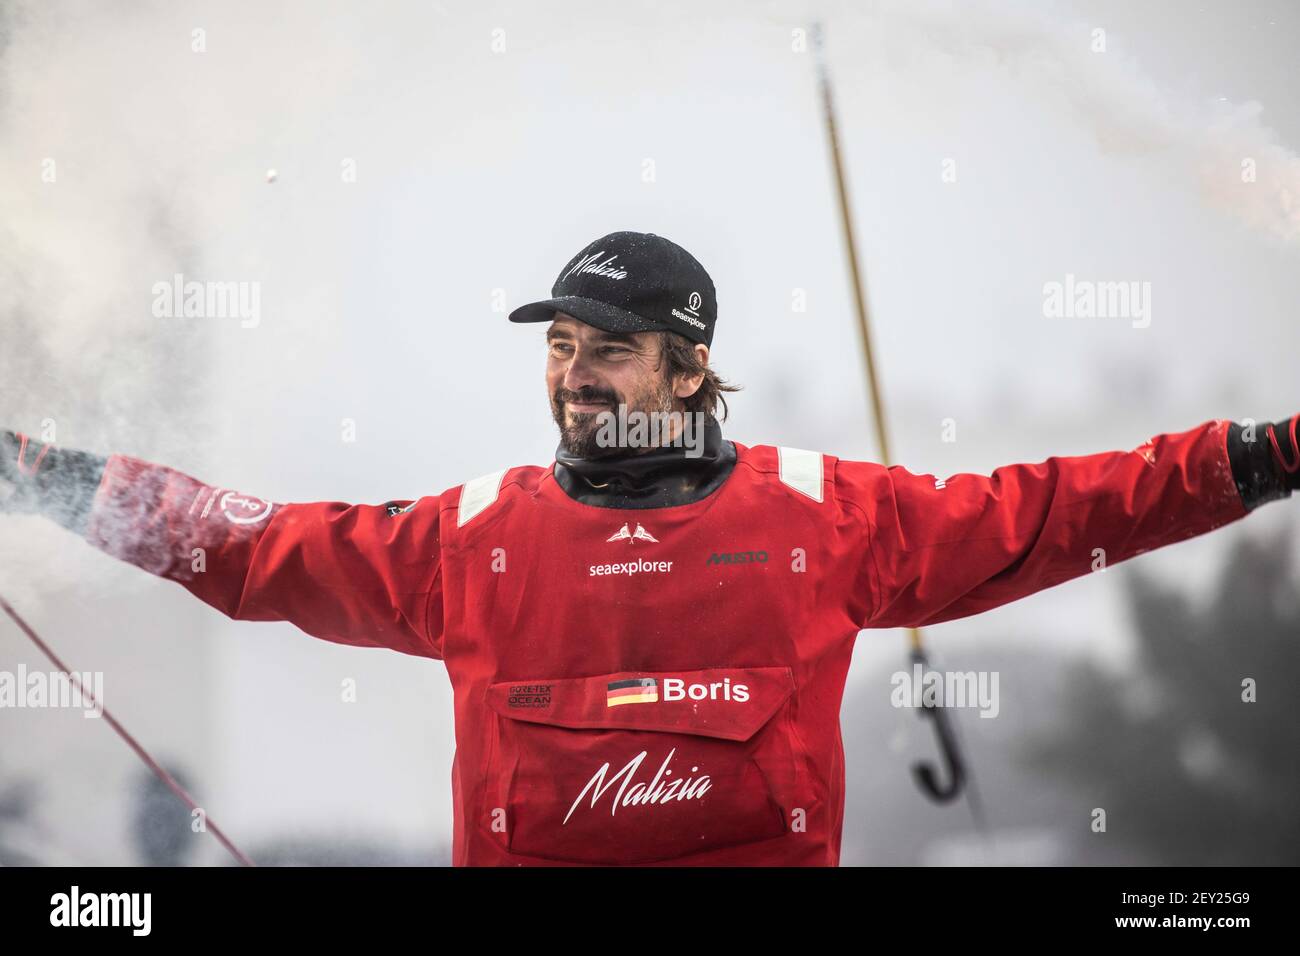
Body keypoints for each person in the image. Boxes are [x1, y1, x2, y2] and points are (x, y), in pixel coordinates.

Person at [2, 230, 1296, 866]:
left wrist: (1267, 454)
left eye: (606, 347)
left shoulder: (825, 518)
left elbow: (1062, 506)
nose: (572, 377)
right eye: (558, 348)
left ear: (688, 371)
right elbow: (246, 547)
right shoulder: (473, 538)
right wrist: (32, 472)